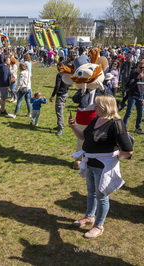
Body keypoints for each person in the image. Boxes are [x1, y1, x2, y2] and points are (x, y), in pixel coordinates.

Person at [68, 94, 133, 238]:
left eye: (97, 105)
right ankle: (89, 217)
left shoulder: (116, 123)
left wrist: (118, 157)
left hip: (103, 167)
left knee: (102, 196)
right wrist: (73, 127)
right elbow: (83, 137)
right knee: (91, 193)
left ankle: (99, 225)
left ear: (105, 107)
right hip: (90, 163)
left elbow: (128, 149)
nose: (94, 107)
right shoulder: (97, 119)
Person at [50, 62, 71, 136]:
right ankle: (59, 125)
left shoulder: (59, 75)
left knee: (59, 112)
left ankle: (61, 129)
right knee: (60, 111)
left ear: (59, 66)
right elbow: (70, 83)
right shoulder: (66, 73)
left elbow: (57, 86)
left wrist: (52, 95)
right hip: (65, 94)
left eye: (57, 66)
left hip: (61, 95)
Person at [123, 60, 144, 134]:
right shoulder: (133, 74)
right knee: (128, 113)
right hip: (132, 97)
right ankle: (123, 128)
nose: (142, 69)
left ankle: (137, 128)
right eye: (141, 67)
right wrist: (137, 78)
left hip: (141, 97)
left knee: (140, 114)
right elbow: (129, 86)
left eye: (143, 67)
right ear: (137, 67)